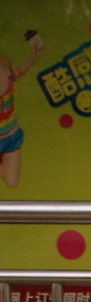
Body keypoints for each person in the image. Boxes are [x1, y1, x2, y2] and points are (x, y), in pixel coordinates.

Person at [1, 30, 46, 189]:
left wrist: (36, 54)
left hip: (11, 134)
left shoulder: (4, 64)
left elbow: (18, 72)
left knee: (12, 182)